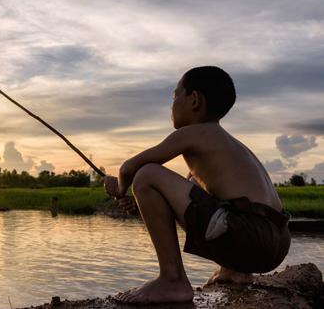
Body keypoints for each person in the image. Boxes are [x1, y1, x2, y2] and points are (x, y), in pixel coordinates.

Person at [102, 66, 291, 305]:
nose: (171, 105)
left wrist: (117, 188)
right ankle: (236, 271)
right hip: (277, 241)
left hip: (249, 236)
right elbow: (191, 203)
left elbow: (129, 168)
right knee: (191, 188)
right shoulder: (228, 145)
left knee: (146, 174)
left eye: (175, 96)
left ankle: (172, 279)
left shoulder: (193, 133)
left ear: (194, 100)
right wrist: (142, 201)